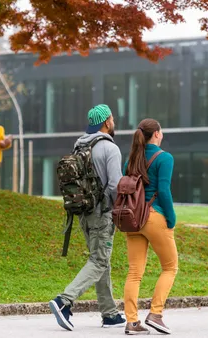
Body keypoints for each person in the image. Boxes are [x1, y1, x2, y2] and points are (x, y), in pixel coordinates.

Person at [49, 104, 126, 331]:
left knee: (100, 259)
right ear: (107, 122)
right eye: (112, 118)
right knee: (99, 260)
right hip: (102, 213)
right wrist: (118, 211)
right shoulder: (110, 149)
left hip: (83, 212)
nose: (114, 122)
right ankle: (64, 301)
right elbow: (115, 186)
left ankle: (110, 313)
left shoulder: (79, 144)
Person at [122, 118, 178, 335]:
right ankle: (155, 314)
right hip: (154, 216)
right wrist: (171, 219)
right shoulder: (165, 158)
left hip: (133, 218)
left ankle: (132, 322)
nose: (162, 134)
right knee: (170, 267)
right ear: (156, 134)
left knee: (134, 272)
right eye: (161, 131)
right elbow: (163, 191)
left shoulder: (131, 160)